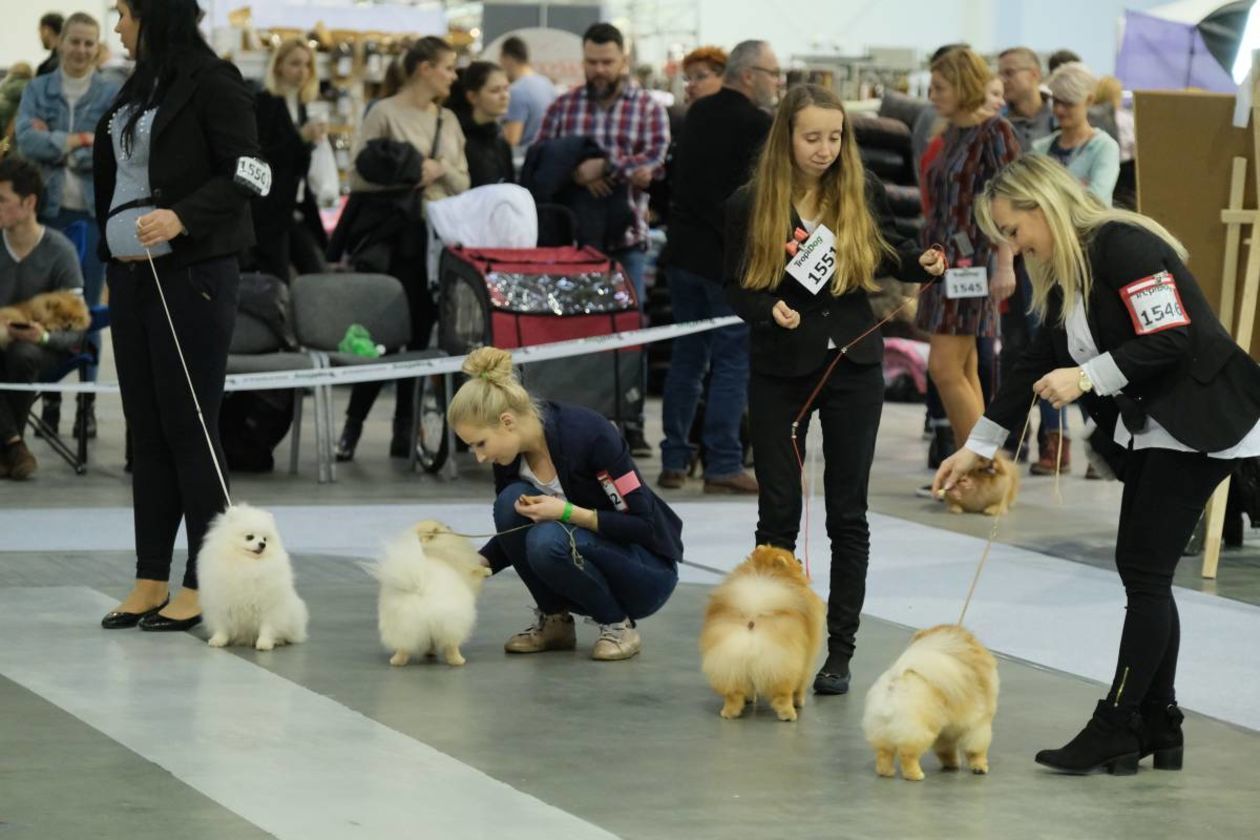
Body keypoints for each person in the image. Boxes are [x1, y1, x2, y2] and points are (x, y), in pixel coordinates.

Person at [933, 153, 1260, 774]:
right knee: (1145, 571)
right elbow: (1031, 363)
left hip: (1205, 419)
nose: (1012, 245)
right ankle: (1157, 723)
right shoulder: (1067, 270)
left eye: (1013, 229)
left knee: (1142, 571)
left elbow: (1174, 336)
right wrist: (978, 446)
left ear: (1042, 206)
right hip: (1161, 425)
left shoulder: (1122, 245)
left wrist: (1085, 377)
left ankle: (1119, 722)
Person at [725, 84, 939, 695]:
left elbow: (890, 251)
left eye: (835, 136)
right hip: (778, 369)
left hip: (853, 365)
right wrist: (769, 311)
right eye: (812, 137)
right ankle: (769, 646)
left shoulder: (859, 190)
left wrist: (918, 263)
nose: (825, 149)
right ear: (786, 139)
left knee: (848, 515)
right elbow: (734, 288)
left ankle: (839, 652)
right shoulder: (748, 205)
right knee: (778, 515)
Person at [95, 0, 267, 633]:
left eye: (122, 13)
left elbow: (254, 171)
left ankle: (204, 580)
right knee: (148, 431)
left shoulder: (214, 80)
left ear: (153, 14)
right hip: (131, 277)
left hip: (189, 277)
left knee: (190, 427)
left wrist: (183, 216)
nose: (117, 26)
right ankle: (150, 578)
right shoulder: (140, 86)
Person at [449, 346, 682, 661]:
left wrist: (569, 513)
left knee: (547, 539)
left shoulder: (591, 435)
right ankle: (554, 621)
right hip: (577, 556)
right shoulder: (508, 457)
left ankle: (618, 626)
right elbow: (514, 530)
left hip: (645, 571)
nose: (479, 456)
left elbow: (644, 525)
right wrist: (478, 563)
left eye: (480, 444)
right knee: (509, 505)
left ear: (507, 422)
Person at [536, 22, 670, 457]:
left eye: (607, 62)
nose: (599, 70)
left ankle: (630, 423)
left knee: (629, 330)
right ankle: (567, 420)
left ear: (623, 60)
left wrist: (604, 167)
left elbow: (656, 159)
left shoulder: (648, 107)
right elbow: (541, 159)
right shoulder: (564, 106)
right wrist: (575, 171)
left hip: (626, 237)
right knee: (571, 328)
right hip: (573, 241)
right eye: (591, 62)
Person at [334, 36, 469, 463]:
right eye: (447, 67)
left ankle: (405, 433)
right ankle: (351, 428)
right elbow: (358, 177)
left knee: (418, 338)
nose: (453, 76)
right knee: (384, 337)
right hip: (392, 241)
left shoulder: (448, 121)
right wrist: (410, 172)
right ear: (424, 68)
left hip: (434, 242)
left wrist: (440, 168)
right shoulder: (385, 113)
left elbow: (465, 182)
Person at [657, 40, 776, 495]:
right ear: (748, 75)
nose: (775, 82)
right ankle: (723, 462)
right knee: (731, 361)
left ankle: (674, 460)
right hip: (726, 261)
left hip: (683, 255)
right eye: (771, 73)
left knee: (686, 359)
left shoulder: (696, 115)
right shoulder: (758, 125)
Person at [916, 48, 1018, 484]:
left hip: (972, 263)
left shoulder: (995, 132)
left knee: (944, 369)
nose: (932, 95)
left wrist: (1005, 262)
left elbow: (1011, 202)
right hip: (944, 264)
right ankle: (979, 472)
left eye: (940, 87)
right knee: (963, 369)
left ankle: (981, 473)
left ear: (962, 85)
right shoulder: (954, 132)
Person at [16, 11, 119, 438]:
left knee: (84, 311)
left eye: (88, 43)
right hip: (50, 214)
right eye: (74, 41)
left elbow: (108, 150)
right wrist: (80, 140)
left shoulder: (111, 93)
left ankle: (86, 405)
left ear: (97, 48)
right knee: (46, 309)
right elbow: (26, 140)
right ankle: (50, 403)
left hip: (94, 216)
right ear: (61, 44)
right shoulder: (38, 89)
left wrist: (57, 143)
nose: (80, 50)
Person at [0, 156, 85, 480]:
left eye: (2, 200)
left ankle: (8, 446)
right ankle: (13, 444)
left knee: (22, 354)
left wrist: (43, 336)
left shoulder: (59, 251)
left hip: (46, 347)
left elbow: (77, 329)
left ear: (29, 202)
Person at [250, 37, 331, 282]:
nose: (302, 71)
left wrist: (309, 143)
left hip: (295, 206)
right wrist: (300, 138)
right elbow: (262, 157)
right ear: (278, 66)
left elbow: (297, 162)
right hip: (271, 209)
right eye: (295, 64)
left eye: (307, 65)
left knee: (315, 273)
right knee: (279, 278)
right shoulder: (265, 103)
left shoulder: (302, 105)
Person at [1034, 64, 1120, 205]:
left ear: (1089, 100)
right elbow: (1029, 196)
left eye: (1068, 103)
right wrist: (1077, 190)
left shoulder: (1105, 147)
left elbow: (1096, 201)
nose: (1059, 110)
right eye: (1056, 101)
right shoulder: (1040, 148)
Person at [451, 61, 514, 187]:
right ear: (472, 97)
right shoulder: (459, 139)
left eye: (506, 89)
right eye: (495, 90)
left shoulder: (500, 140)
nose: (504, 96)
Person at [499, 35, 556, 152]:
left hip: (524, 159)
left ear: (508, 58)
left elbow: (512, 140)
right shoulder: (546, 83)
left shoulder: (516, 91)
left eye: (501, 59)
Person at [997, 47, 1054, 155]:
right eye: (1000, 75)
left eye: (1009, 73)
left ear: (1034, 74)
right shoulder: (997, 124)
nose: (1002, 80)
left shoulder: (1059, 116)